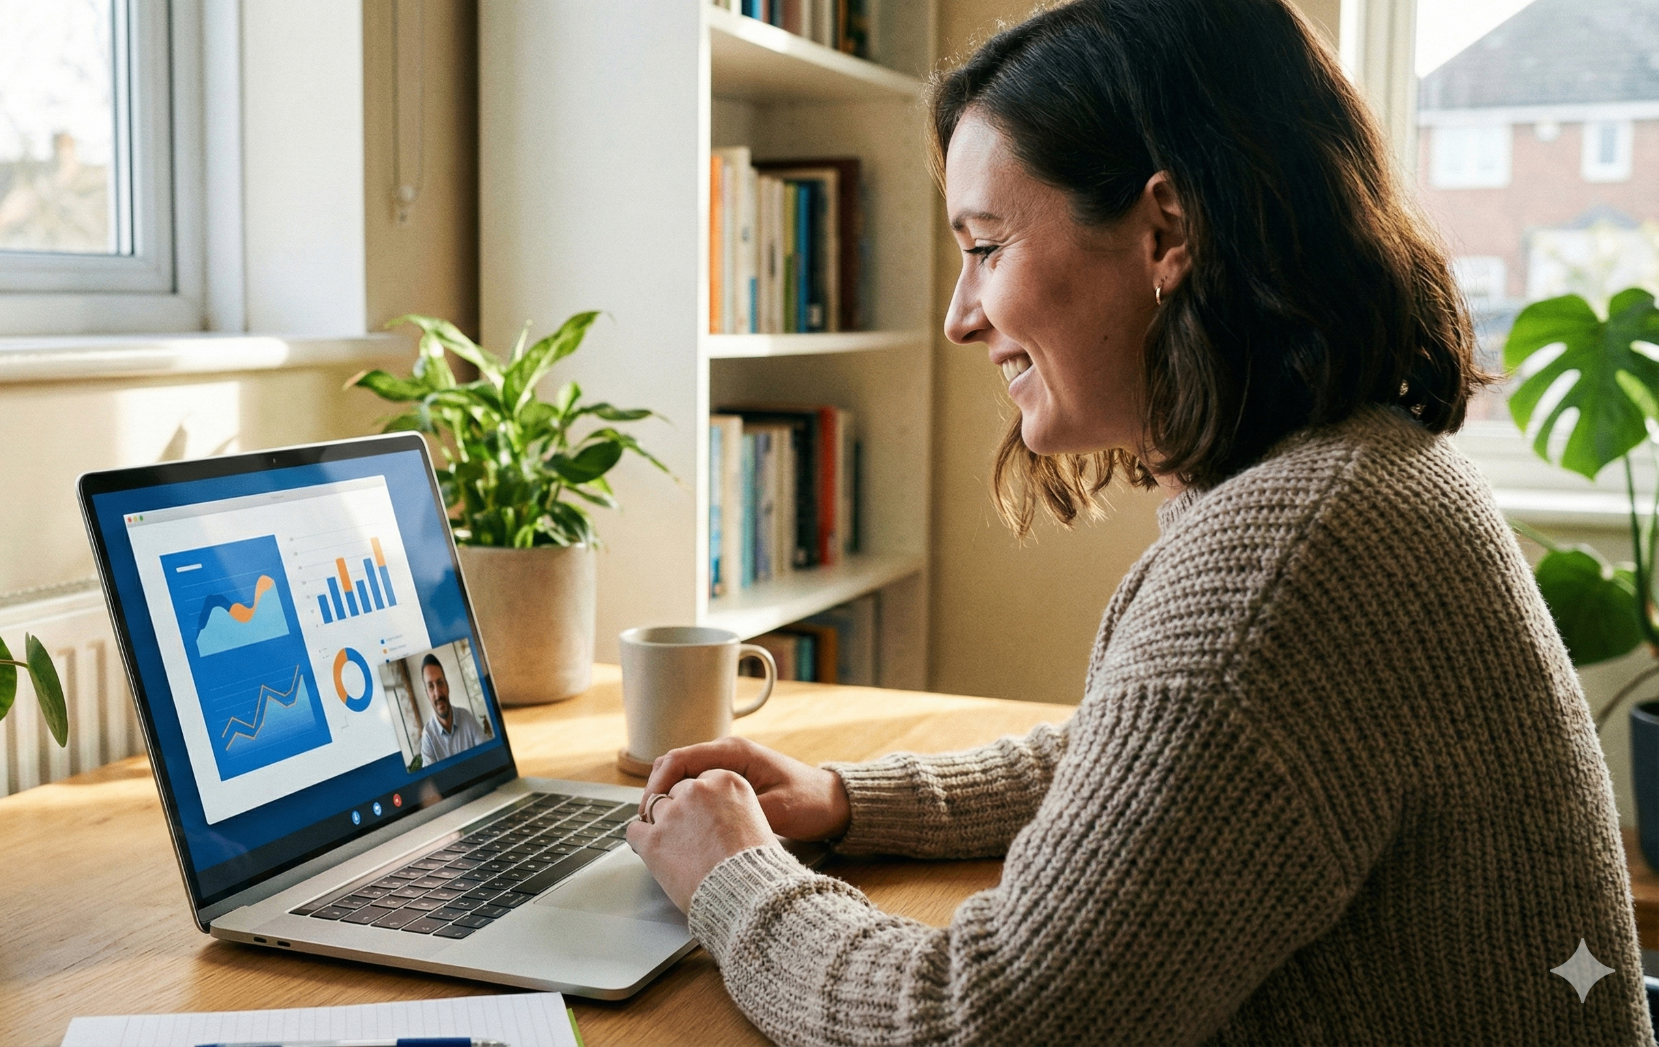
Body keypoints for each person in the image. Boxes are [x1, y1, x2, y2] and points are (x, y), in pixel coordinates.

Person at [624, 0, 1652, 1043]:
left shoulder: (1287, 563)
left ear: (1167, 231)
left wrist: (735, 877)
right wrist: (848, 798)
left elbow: (984, 1026)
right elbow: (1144, 770)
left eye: (984, 246)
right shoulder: (1349, 474)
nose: (958, 315)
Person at [415, 653, 486, 764]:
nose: (437, 694)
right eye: (430, 686)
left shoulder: (466, 717)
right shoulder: (428, 736)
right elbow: (433, 779)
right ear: (427, 694)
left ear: (447, 686)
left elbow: (488, 755)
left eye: (440, 683)